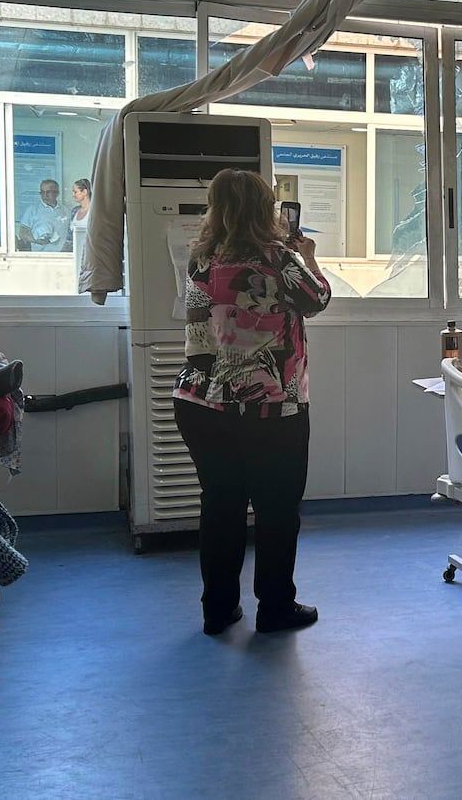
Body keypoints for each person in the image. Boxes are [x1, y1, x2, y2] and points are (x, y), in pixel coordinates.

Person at [172, 169, 332, 636]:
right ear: (267, 210)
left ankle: (218, 611)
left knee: (220, 506)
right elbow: (318, 300)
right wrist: (310, 258)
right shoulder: (281, 259)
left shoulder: (201, 260)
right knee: (277, 509)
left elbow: (200, 336)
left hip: (201, 402)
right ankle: (275, 608)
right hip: (272, 406)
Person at [19, 179, 72, 252]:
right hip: (41, 255)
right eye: (42, 192)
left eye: (48, 192)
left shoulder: (66, 211)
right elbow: (22, 233)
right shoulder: (33, 210)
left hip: (62, 255)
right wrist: (36, 241)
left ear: (57, 193)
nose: (45, 195)